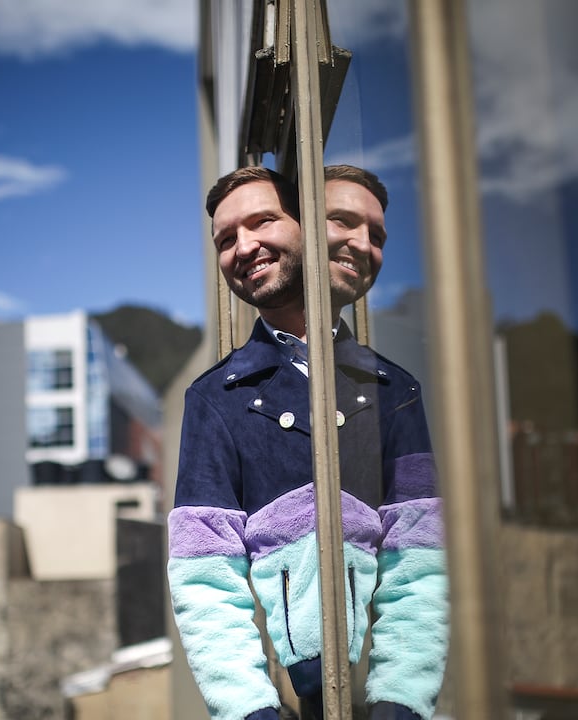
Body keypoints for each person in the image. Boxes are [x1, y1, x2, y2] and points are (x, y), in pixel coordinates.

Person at [167, 165, 447, 720]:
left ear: (306, 228)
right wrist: (250, 711)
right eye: (226, 239)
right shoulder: (214, 397)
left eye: (263, 221)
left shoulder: (395, 389)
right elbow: (204, 580)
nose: (244, 246)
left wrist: (402, 702)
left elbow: (421, 561)